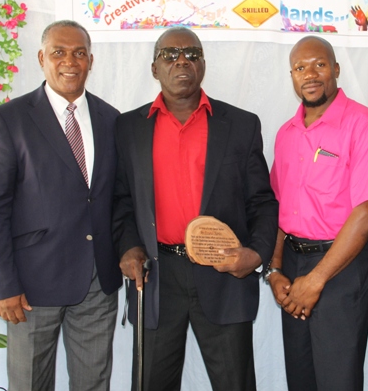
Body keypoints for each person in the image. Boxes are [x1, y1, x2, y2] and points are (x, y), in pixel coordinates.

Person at [113, 26, 279, 391]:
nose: (182, 60)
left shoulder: (241, 124)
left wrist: (256, 254)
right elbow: (121, 200)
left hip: (222, 272)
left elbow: (262, 201)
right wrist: (128, 247)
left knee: (235, 383)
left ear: (203, 64)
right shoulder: (127, 128)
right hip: (156, 275)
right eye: (169, 55)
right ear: (154, 68)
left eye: (192, 53)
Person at [0, 20, 122, 390]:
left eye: (79, 53)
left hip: (96, 283)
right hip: (30, 286)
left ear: (91, 60)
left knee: (94, 383)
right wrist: (3, 284)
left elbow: (118, 198)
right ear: (42, 58)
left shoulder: (112, 120)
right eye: (59, 52)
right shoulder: (9, 120)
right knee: (29, 384)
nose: (69, 61)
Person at [267, 35, 368, 391]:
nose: (310, 74)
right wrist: (275, 271)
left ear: (335, 69)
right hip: (292, 264)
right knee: (301, 376)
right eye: (300, 67)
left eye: (319, 64)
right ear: (291, 76)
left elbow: (367, 212)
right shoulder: (286, 133)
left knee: (338, 378)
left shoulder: (364, 123)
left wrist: (316, 280)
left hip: (341, 267)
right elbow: (276, 205)